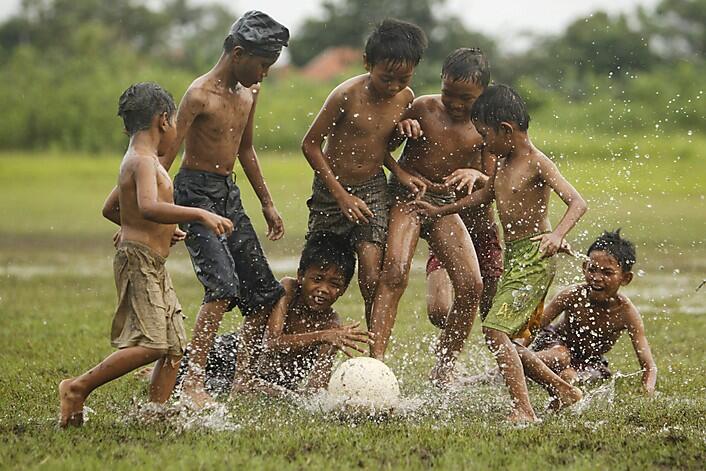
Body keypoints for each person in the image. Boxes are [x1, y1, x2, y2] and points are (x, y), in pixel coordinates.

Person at [58, 83, 233, 427]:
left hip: (151, 260)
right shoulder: (141, 162)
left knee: (173, 345)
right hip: (138, 262)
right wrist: (198, 214)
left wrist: (155, 229)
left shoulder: (144, 161)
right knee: (153, 344)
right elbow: (149, 206)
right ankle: (77, 387)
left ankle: (157, 412)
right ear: (164, 121)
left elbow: (113, 207)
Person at [413, 84, 588, 422]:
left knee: (495, 332)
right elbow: (484, 197)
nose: (482, 142)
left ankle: (523, 409)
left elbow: (577, 202)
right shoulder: (503, 161)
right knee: (511, 343)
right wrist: (439, 211)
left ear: (506, 130)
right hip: (516, 259)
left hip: (535, 259)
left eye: (485, 134)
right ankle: (562, 390)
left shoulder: (537, 163)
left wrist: (557, 234)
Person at [158, 11, 290, 407]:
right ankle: (192, 381)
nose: (264, 74)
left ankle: (243, 377)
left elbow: (245, 149)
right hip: (194, 194)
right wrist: (158, 211)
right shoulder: (199, 94)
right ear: (238, 53)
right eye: (263, 65)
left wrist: (266, 203)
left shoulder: (249, 94)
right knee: (222, 287)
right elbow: (167, 154)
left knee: (265, 292)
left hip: (229, 195)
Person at [368, 48, 493, 385]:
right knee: (394, 271)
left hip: (443, 207)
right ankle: (376, 362)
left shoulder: (485, 128)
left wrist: (474, 173)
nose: (454, 103)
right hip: (408, 198)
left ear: (482, 93)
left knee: (472, 285)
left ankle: (444, 368)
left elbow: (491, 180)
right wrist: (403, 129)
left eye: (464, 98)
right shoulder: (423, 107)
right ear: (441, 82)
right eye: (448, 93)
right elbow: (382, 144)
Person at [301, 19, 429, 328]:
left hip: (372, 188)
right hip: (332, 191)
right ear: (367, 63)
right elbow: (310, 145)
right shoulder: (346, 95)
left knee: (373, 272)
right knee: (320, 271)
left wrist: (400, 153)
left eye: (404, 78)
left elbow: (380, 145)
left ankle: (374, 351)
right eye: (387, 78)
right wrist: (341, 196)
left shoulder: (405, 98)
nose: (394, 86)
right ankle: (307, 338)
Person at [175, 232, 370, 396]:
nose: (324, 289)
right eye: (317, 279)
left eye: (334, 284)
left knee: (219, 387)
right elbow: (272, 342)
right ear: (301, 275)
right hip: (233, 351)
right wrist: (322, 336)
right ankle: (157, 372)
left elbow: (316, 388)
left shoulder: (332, 324)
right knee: (181, 365)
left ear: (343, 289)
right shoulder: (289, 289)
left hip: (268, 378)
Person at [528, 230, 657, 395]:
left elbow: (649, 367)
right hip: (553, 345)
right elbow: (534, 327)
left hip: (588, 360)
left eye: (607, 273)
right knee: (561, 356)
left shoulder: (627, 313)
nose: (596, 277)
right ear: (584, 268)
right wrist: (515, 351)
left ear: (625, 279)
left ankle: (539, 372)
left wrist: (648, 389)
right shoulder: (573, 295)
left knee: (574, 376)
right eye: (592, 269)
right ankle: (511, 367)